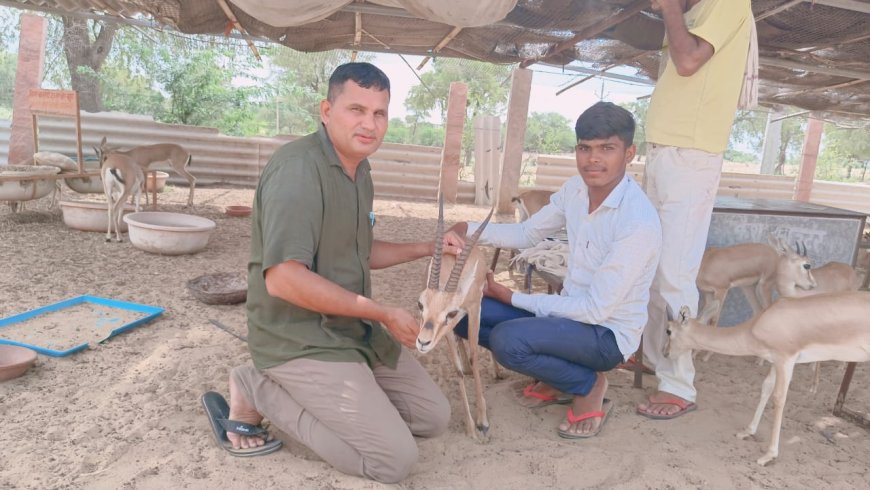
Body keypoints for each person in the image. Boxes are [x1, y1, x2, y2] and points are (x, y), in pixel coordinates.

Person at [201, 62, 459, 484]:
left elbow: (357, 252)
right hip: (300, 336)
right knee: (391, 461)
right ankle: (254, 387)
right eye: (356, 109)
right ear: (326, 109)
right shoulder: (299, 170)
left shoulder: (360, 171)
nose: (369, 124)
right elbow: (283, 278)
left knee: (432, 418)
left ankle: (349, 399)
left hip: (350, 331)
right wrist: (382, 312)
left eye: (379, 113)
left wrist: (427, 247)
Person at [445, 102, 662, 438]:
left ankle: (588, 385)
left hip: (606, 335)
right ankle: (558, 374)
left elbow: (595, 309)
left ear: (629, 153)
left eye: (607, 149)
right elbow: (527, 233)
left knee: (508, 341)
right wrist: (467, 228)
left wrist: (512, 296)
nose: (593, 159)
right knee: (458, 315)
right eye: (585, 148)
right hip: (568, 317)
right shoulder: (576, 190)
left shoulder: (638, 221)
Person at [637, 0, 755, 419]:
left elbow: (687, 62)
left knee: (675, 273)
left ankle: (679, 384)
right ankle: (655, 358)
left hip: (691, 155)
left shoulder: (729, 3)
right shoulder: (698, 11)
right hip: (669, 151)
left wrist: (670, 10)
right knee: (651, 266)